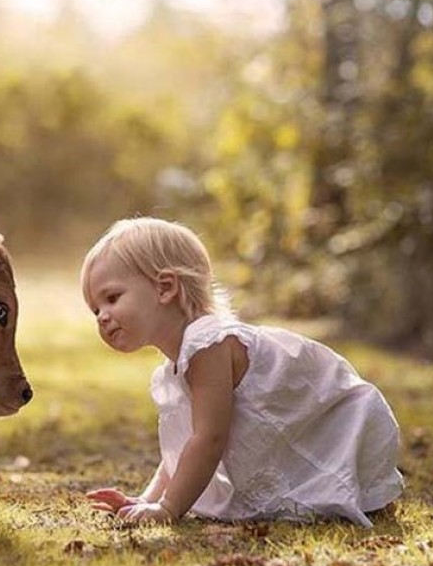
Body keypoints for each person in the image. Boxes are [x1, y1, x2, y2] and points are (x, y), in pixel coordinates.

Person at [82, 217, 403, 527]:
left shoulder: (209, 345)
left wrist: (168, 507)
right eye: (96, 308)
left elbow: (209, 439)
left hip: (336, 424)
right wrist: (147, 500)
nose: (102, 316)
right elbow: (182, 447)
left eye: (112, 298)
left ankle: (359, 490)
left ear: (165, 288)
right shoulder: (178, 364)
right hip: (295, 432)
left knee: (323, 485)